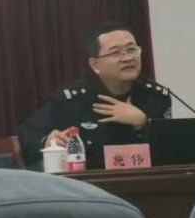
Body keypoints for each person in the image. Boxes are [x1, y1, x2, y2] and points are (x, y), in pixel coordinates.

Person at [18, 21, 172, 170]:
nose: (127, 58)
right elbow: (26, 135)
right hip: (89, 184)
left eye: (132, 50)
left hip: (146, 182)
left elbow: (172, 150)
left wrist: (144, 123)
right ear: (95, 65)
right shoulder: (73, 99)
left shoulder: (155, 96)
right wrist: (48, 141)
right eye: (116, 52)